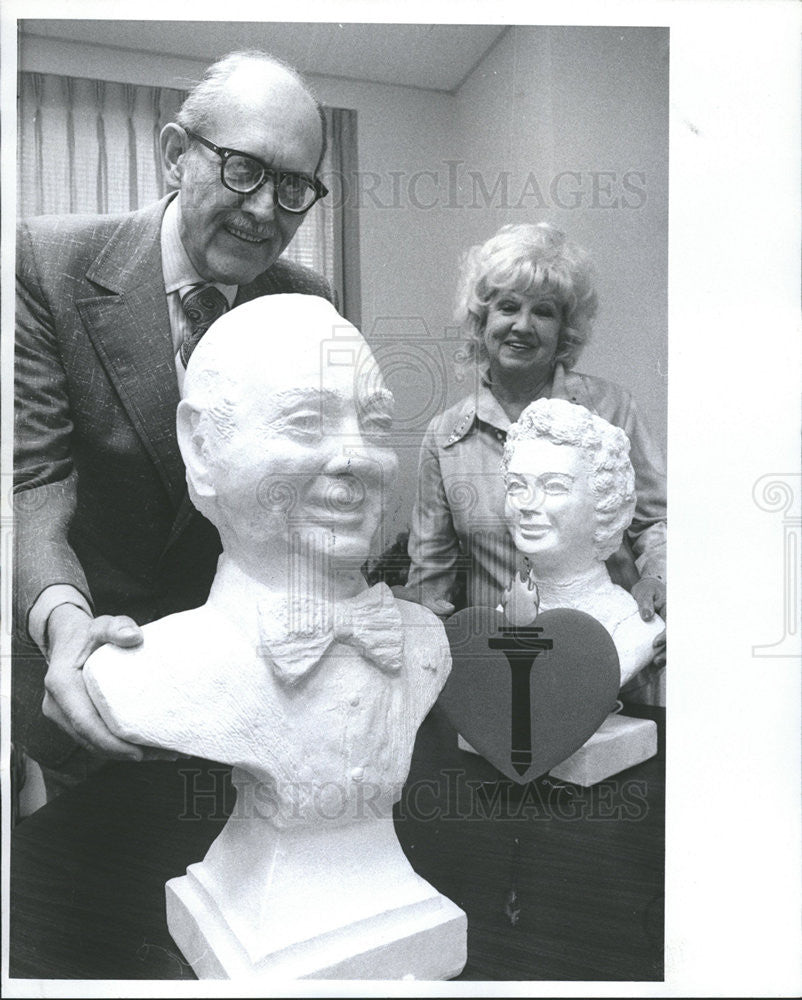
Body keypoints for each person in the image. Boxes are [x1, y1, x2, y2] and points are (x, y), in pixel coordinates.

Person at [14, 50, 332, 785]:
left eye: (292, 187)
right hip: (90, 681)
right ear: (174, 155)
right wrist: (67, 624)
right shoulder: (45, 261)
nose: (263, 211)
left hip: (243, 695)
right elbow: (34, 483)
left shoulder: (305, 301)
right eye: (243, 169)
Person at [403, 222, 666, 671]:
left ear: (564, 328)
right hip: (506, 672)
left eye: (543, 311)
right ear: (482, 319)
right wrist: (419, 617)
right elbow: (431, 575)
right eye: (508, 307)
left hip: (616, 661)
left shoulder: (609, 409)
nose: (522, 326)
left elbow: (656, 520)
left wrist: (658, 576)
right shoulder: (446, 436)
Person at [501, 398, 664, 689]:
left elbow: (570, 694)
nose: (526, 503)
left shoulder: (633, 629)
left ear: (605, 501)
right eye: (516, 485)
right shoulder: (504, 617)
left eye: (553, 487)